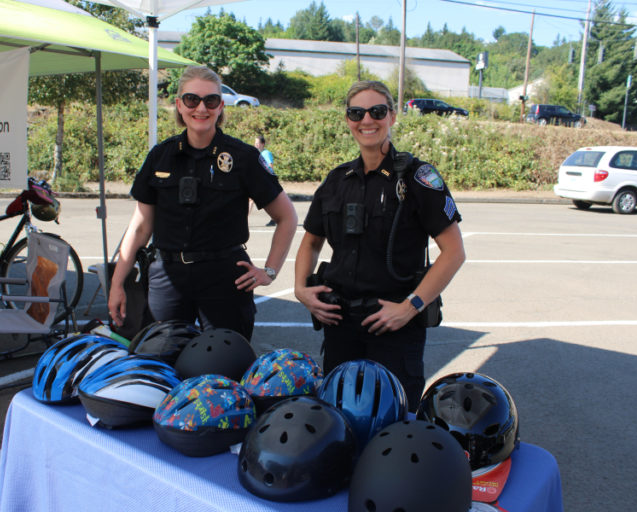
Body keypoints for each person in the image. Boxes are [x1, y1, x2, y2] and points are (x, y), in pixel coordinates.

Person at [294, 80, 465, 409]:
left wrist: (410, 307)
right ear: (348, 120)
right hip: (339, 323)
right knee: (338, 415)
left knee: (394, 421)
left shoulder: (418, 178)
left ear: (392, 116)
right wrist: (301, 289)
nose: (367, 120)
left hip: (394, 328)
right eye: (357, 112)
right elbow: (311, 240)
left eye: (377, 111)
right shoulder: (336, 180)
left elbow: (454, 252)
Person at [109, 66, 297, 341]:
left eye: (210, 100)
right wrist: (118, 284)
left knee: (225, 367)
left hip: (225, 277)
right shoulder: (160, 156)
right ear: (179, 105)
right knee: (162, 365)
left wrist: (269, 271)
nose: (201, 108)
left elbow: (287, 217)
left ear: (220, 106)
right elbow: (140, 227)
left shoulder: (242, 157)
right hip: (167, 276)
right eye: (191, 99)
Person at [252, 134, 277, 226]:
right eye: (255, 143)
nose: (256, 144)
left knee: (268, 201)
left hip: (266, 180)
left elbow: (270, 166)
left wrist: (268, 178)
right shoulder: (258, 153)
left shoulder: (266, 153)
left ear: (263, 144)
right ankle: (274, 218)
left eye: (257, 143)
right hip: (260, 179)